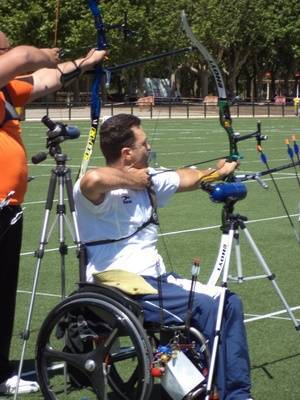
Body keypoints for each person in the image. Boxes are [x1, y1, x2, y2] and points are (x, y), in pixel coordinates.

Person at [73, 113, 253, 400]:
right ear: (126, 153)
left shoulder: (151, 179)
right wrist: (134, 180)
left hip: (153, 282)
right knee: (216, 307)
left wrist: (218, 171)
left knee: (226, 302)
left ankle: (219, 390)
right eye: (144, 143)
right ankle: (231, 395)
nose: (149, 147)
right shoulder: (96, 193)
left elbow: (187, 177)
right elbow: (93, 178)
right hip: (119, 287)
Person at [0, 30, 107, 395]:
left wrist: (85, 62)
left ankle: (0, 371)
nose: (9, 54)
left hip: (7, 208)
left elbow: (46, 77)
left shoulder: (8, 90)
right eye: (3, 48)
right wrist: (43, 52)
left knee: (3, 292)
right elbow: (25, 59)